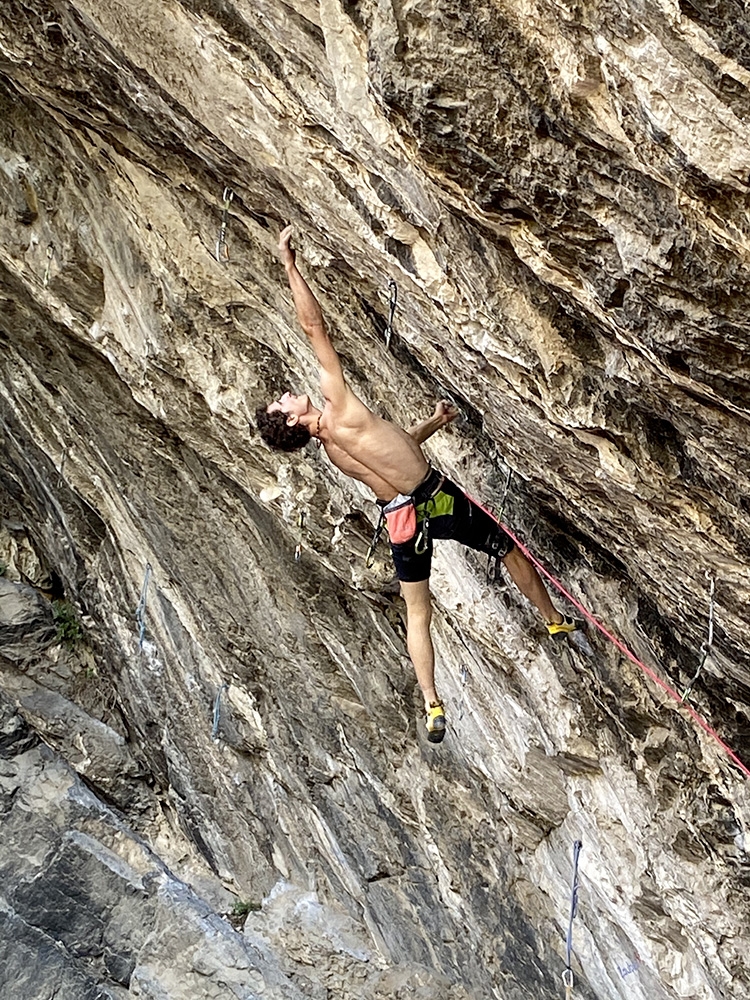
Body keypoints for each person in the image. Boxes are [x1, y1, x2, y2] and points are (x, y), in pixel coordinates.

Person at [256, 227, 578, 744]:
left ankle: (431, 702)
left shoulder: (336, 450)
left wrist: (432, 424)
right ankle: (553, 618)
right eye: (282, 403)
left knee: (417, 611)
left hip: (402, 520)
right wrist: (290, 265)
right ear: (292, 422)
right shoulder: (338, 406)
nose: (288, 394)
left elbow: (391, 451)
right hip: (437, 497)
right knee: (507, 548)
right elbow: (313, 326)